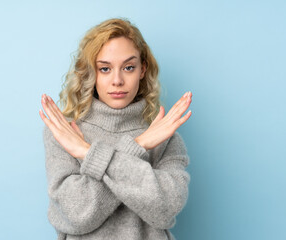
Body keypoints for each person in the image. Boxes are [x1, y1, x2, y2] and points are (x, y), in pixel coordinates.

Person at [39, 17, 192, 240]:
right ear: (90, 72)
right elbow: (77, 214)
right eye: (105, 69)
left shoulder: (164, 135)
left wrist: (87, 153)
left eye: (128, 67)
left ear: (142, 70)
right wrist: (139, 146)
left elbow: (165, 210)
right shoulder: (66, 133)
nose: (117, 80)